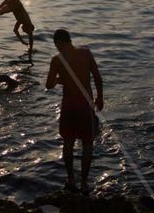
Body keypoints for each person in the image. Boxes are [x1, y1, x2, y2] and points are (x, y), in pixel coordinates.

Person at [45, 29, 104, 195]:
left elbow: (48, 85)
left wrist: (59, 80)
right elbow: (98, 78)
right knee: (87, 145)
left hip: (68, 107)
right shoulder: (86, 53)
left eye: (56, 44)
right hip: (86, 106)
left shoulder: (56, 60)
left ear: (59, 42)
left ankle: (71, 179)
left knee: (68, 143)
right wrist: (100, 98)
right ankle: (84, 183)